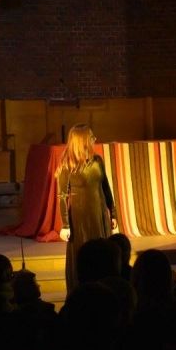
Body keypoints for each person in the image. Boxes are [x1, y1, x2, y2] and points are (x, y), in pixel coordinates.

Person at [56, 124, 117, 292]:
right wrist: (65, 225)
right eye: (91, 137)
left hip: (99, 214)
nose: (94, 140)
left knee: (102, 251)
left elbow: (105, 187)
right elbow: (62, 196)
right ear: (82, 141)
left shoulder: (97, 160)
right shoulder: (67, 164)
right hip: (80, 218)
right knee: (83, 253)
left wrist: (113, 213)